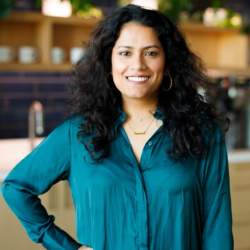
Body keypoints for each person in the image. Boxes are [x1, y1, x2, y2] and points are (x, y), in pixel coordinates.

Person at [1, 4, 233, 250]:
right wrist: (66, 247)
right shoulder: (78, 134)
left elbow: (216, 227)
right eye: (125, 53)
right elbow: (16, 187)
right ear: (108, 64)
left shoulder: (203, 132)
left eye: (151, 53)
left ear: (168, 64)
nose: (138, 65)